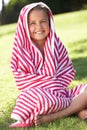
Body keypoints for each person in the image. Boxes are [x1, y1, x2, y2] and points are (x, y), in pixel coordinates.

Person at [9, 2, 87, 128]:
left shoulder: (55, 44)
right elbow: (22, 79)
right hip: (38, 95)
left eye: (43, 21)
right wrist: (50, 84)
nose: (39, 27)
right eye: (32, 23)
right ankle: (76, 107)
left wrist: (56, 89)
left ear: (50, 22)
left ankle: (59, 114)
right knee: (36, 98)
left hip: (60, 94)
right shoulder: (21, 49)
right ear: (25, 26)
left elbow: (67, 70)